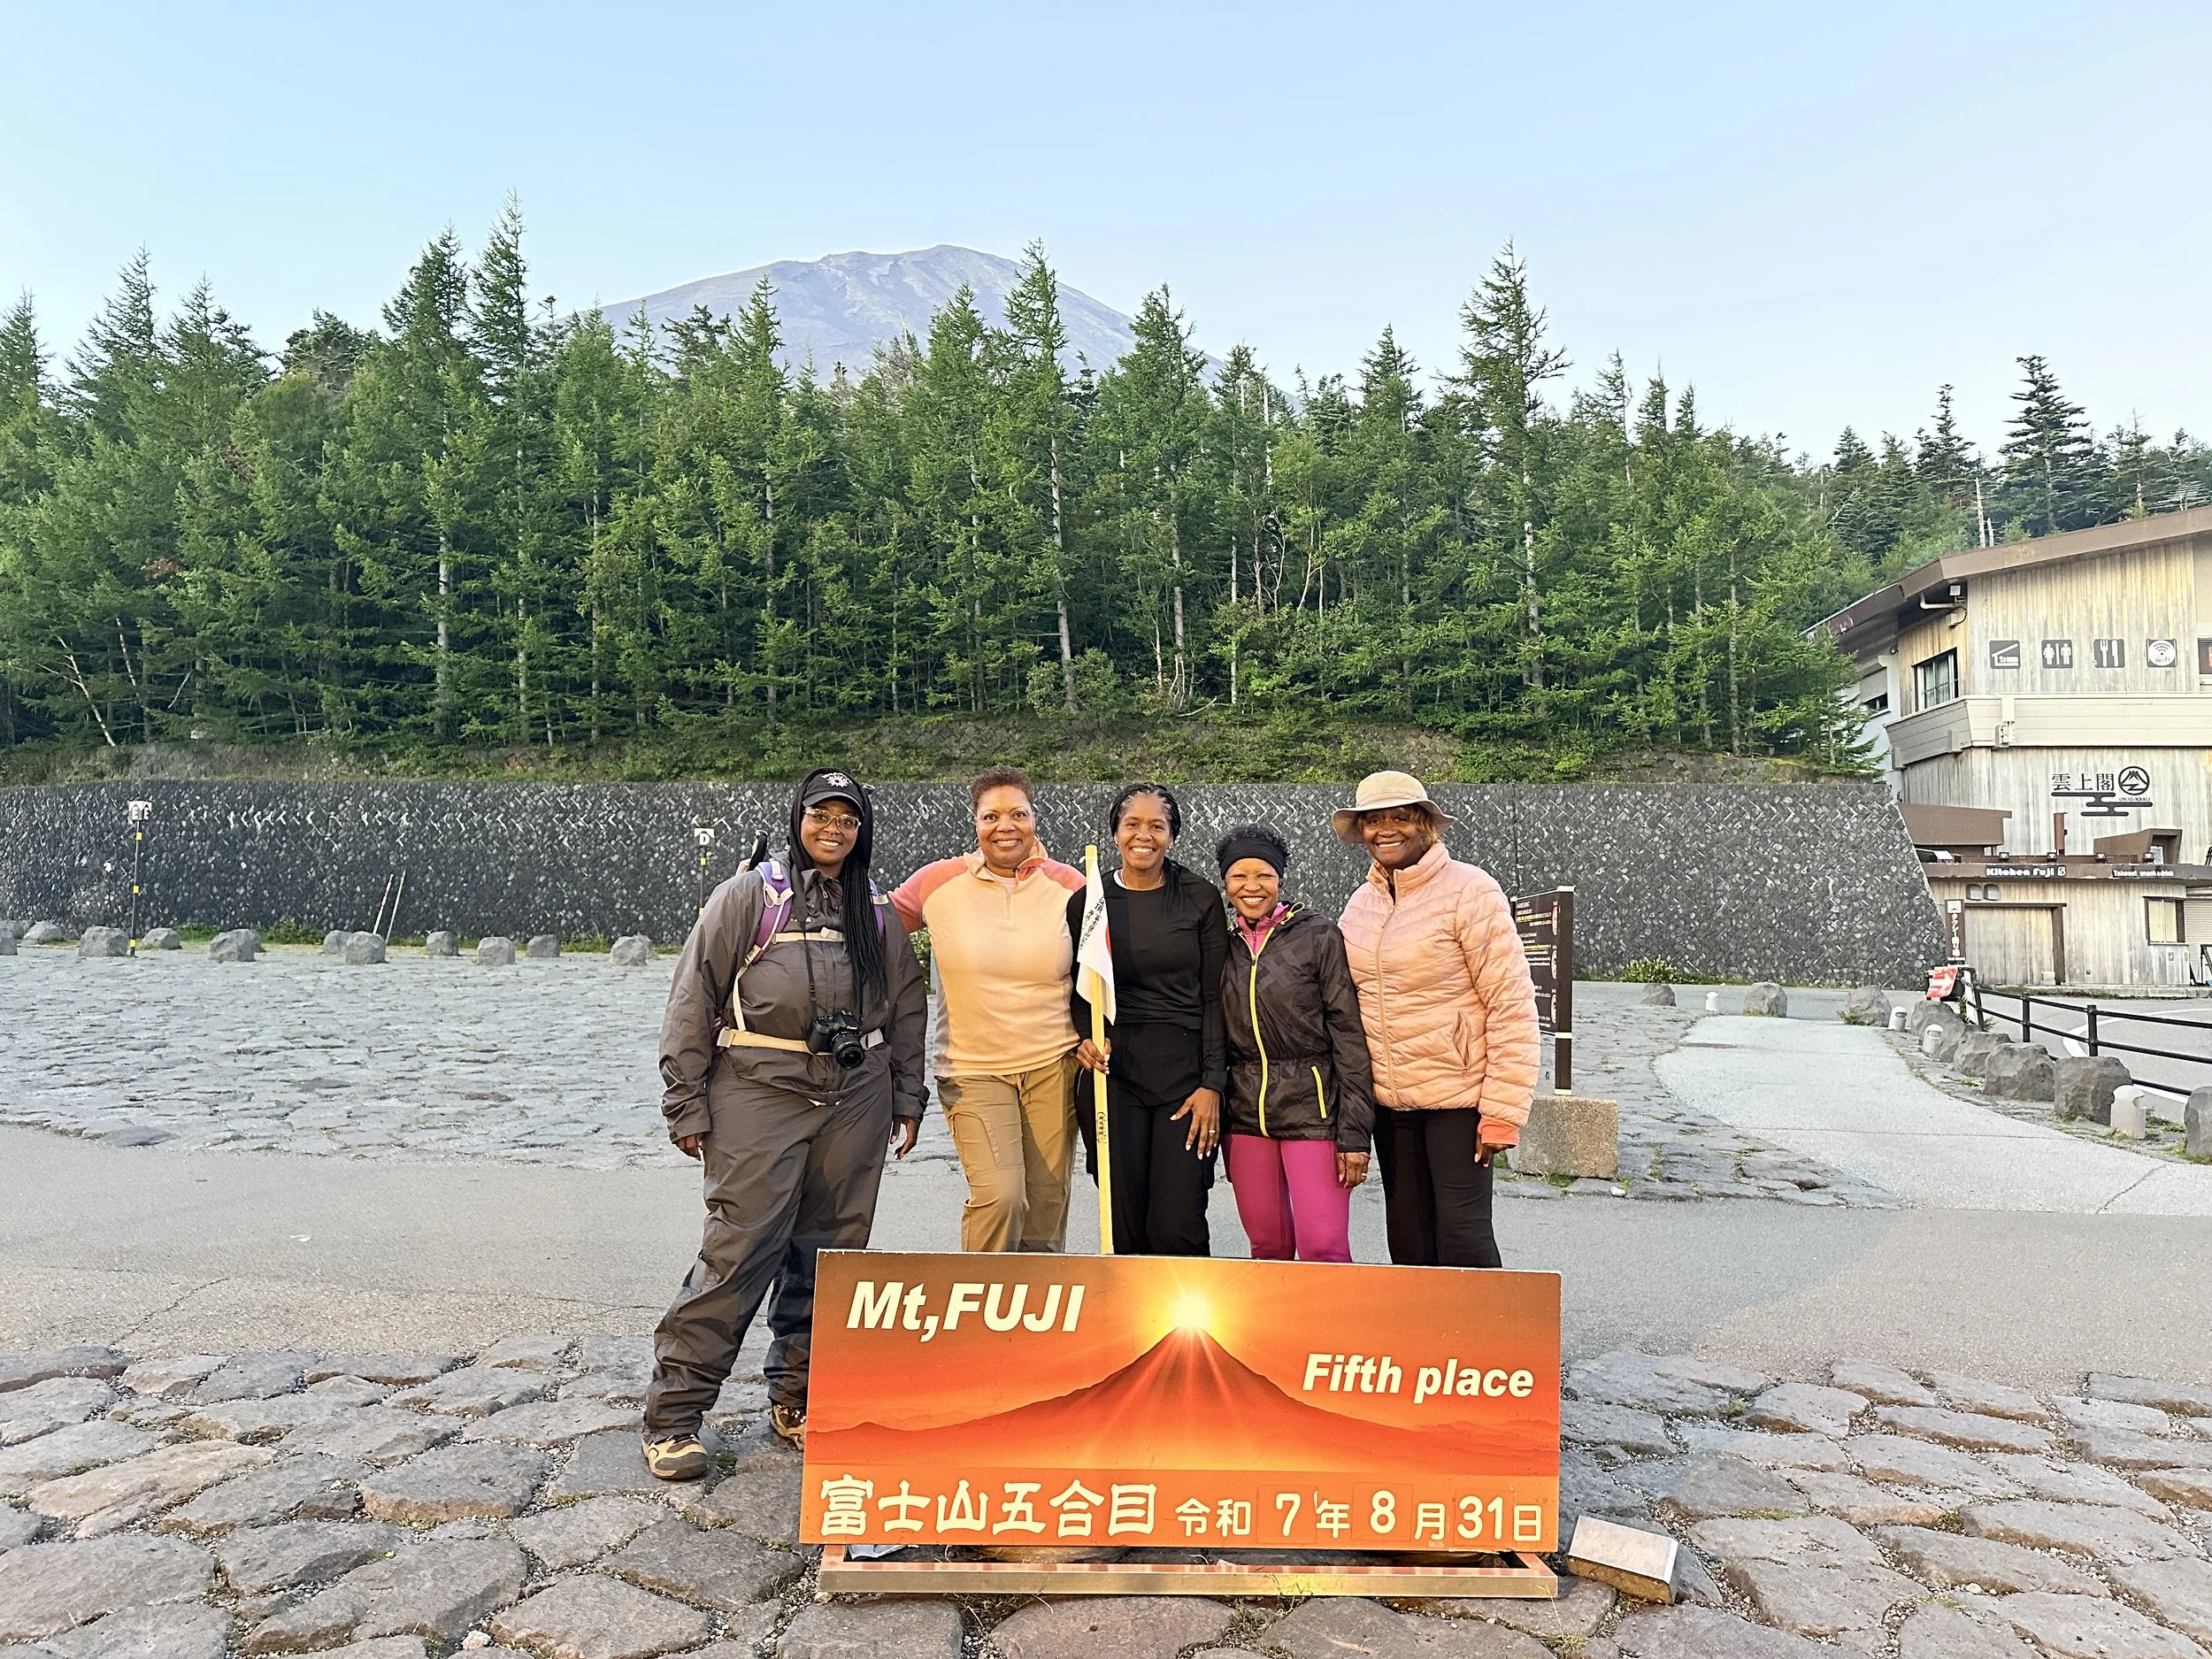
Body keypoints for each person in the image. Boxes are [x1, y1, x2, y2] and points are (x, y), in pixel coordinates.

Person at [643, 769, 927, 1479]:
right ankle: (674, 1416)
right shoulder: (747, 897)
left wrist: (906, 1096)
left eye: (849, 818)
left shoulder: (878, 909)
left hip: (854, 1095)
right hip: (758, 1089)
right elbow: (693, 994)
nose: (834, 827)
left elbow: (908, 1005)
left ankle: (800, 1396)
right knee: (739, 1249)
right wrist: (686, 1099)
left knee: (831, 1255)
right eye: (821, 813)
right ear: (797, 815)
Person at [1334, 771, 1538, 1270]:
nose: (1387, 830)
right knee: (1407, 1238)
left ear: (1426, 824)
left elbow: (1511, 1004)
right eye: (1373, 821)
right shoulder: (1361, 904)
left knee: (1463, 1237)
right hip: (1389, 1101)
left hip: (1460, 1098)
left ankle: (1488, 1343)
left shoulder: (1471, 892)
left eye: (1400, 818)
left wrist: (1503, 1112)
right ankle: (1423, 1345)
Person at [890, 767, 1085, 1252]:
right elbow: (868, 926)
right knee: (1001, 1197)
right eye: (991, 816)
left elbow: (1107, 966)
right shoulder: (938, 883)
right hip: (972, 1069)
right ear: (975, 823)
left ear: (1035, 818)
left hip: (1053, 1065)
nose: (1006, 826)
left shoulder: (1071, 886)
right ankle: (980, 1313)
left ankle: (1037, 1317)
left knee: (1044, 1204)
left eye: (1018, 814)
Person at [1069, 784, 1227, 1256]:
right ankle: (1132, 1324)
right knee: (1123, 1218)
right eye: (1131, 824)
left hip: (1186, 1075)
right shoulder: (1088, 903)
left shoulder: (1199, 898)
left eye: (1156, 826)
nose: (1144, 835)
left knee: (1176, 1222)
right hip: (1114, 1075)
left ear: (1172, 836)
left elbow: (1216, 997)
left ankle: (1190, 1327)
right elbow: (1079, 986)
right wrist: (1083, 1038)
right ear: (1115, 834)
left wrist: (1213, 1084)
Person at [1216, 824, 1375, 1263]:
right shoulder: (1218, 942)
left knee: (1323, 1246)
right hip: (1246, 1115)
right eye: (1239, 876)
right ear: (1225, 883)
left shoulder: (1318, 935)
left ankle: (1331, 1333)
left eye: (1263, 875)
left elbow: (1349, 1034)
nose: (1252, 887)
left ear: (1280, 879)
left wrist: (1355, 1135)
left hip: (1314, 1112)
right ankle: (1274, 1335)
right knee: (1267, 1247)